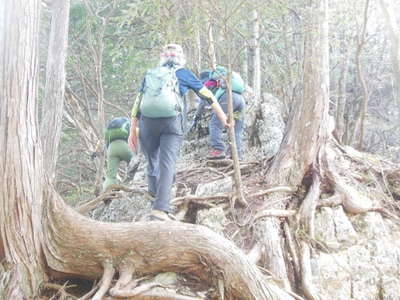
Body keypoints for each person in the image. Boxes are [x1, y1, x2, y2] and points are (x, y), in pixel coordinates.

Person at [128, 44, 229, 221]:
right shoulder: (183, 73)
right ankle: (160, 208)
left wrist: (132, 131)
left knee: (152, 160)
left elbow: (138, 102)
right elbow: (207, 95)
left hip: (147, 123)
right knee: (167, 162)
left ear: (162, 57)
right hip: (171, 123)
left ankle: (154, 192)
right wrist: (223, 118)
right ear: (181, 58)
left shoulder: (150, 74)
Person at [191, 66, 246, 160]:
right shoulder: (228, 81)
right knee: (237, 129)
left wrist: (197, 116)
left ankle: (218, 149)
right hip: (241, 100)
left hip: (228, 98)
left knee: (215, 124)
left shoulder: (209, 83)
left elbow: (203, 102)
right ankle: (236, 155)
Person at [102, 117, 134, 191]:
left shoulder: (110, 128)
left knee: (110, 175)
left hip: (111, 148)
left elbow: (107, 142)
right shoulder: (128, 123)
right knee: (134, 165)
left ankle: (106, 192)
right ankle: (127, 185)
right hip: (124, 145)